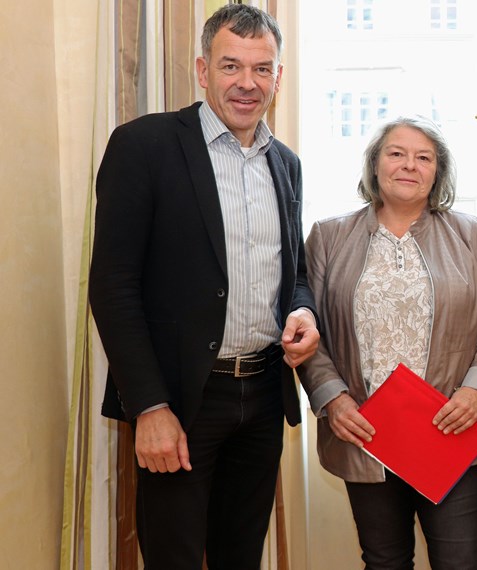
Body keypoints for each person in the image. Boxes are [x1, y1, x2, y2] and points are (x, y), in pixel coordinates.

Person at [88, 5, 319, 568]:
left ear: (278, 78)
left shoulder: (285, 163)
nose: (247, 83)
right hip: (181, 401)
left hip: (264, 395)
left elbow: (296, 273)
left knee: (240, 555)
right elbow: (113, 285)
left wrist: (304, 312)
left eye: (262, 69)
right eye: (231, 66)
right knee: (175, 557)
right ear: (202, 69)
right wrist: (149, 406)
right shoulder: (144, 145)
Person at [298, 115, 477, 570]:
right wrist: (333, 400)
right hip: (365, 432)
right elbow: (309, 333)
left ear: (437, 172)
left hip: (449, 429)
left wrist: (475, 391)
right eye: (396, 153)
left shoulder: (471, 234)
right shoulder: (327, 236)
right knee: (384, 561)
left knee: (460, 562)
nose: (409, 165)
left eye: (424, 158)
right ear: (375, 164)